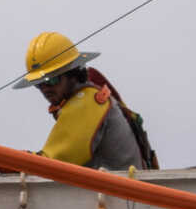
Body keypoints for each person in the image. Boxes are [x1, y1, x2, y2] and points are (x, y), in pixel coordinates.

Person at [17, 32, 158, 172]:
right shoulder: (91, 97)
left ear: (71, 73)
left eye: (51, 80)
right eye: (38, 83)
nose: (45, 89)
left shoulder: (86, 102)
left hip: (118, 192)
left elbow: (50, 163)